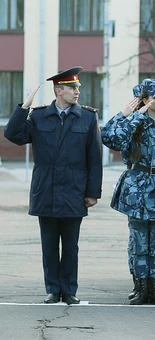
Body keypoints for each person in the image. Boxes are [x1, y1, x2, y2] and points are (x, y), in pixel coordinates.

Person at [4, 67, 103, 305]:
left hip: (73, 191)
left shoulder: (88, 118)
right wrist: (24, 107)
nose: (77, 92)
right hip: (46, 190)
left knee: (70, 246)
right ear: (59, 90)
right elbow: (12, 134)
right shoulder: (38, 116)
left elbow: (95, 158)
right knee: (49, 246)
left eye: (77, 88)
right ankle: (52, 289)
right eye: (72, 88)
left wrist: (92, 192)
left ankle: (69, 290)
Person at [101, 78, 155, 305]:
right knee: (139, 242)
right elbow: (110, 138)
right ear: (144, 100)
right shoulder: (133, 123)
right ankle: (141, 288)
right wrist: (128, 115)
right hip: (137, 189)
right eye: (154, 97)